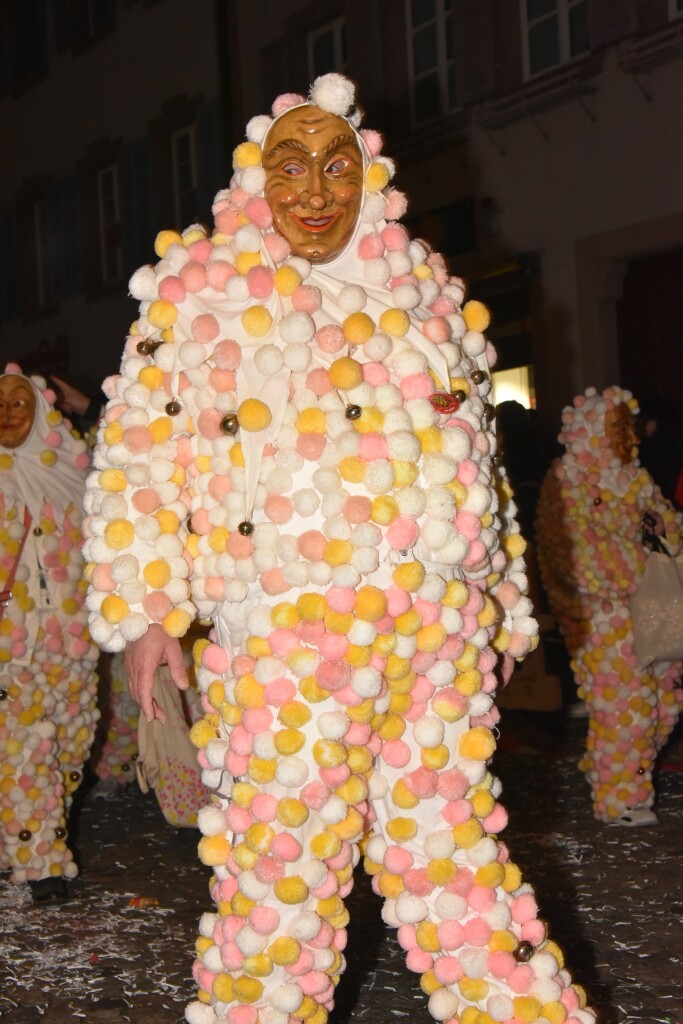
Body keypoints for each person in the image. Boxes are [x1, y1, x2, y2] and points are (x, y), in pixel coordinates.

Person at [84, 74, 595, 1024]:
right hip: (286, 640)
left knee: (455, 868)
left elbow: (476, 461)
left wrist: (503, 604)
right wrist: (147, 613)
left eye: (336, 167)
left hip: (434, 635)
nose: (316, 192)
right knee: (281, 878)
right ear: (254, 183)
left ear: (370, 179)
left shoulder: (426, 289)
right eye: (290, 168)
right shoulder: (200, 296)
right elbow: (140, 455)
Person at [536, 385, 683, 826]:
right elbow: (577, 549)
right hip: (604, 619)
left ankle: (610, 767)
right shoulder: (567, 478)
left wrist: (662, 529)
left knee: (665, 705)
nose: (632, 439)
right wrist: (642, 562)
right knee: (626, 708)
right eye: (620, 429)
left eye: (631, 429)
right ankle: (621, 799)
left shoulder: (634, 479)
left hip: (654, 611)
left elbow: (669, 526)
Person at [0, 365, 99, 901]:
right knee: (26, 748)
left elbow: (127, 459)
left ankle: (12, 836)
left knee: (69, 746)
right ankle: (41, 860)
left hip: (71, 644)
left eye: (20, 403)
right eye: (0, 404)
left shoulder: (70, 470)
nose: (8, 413)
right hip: (10, 651)